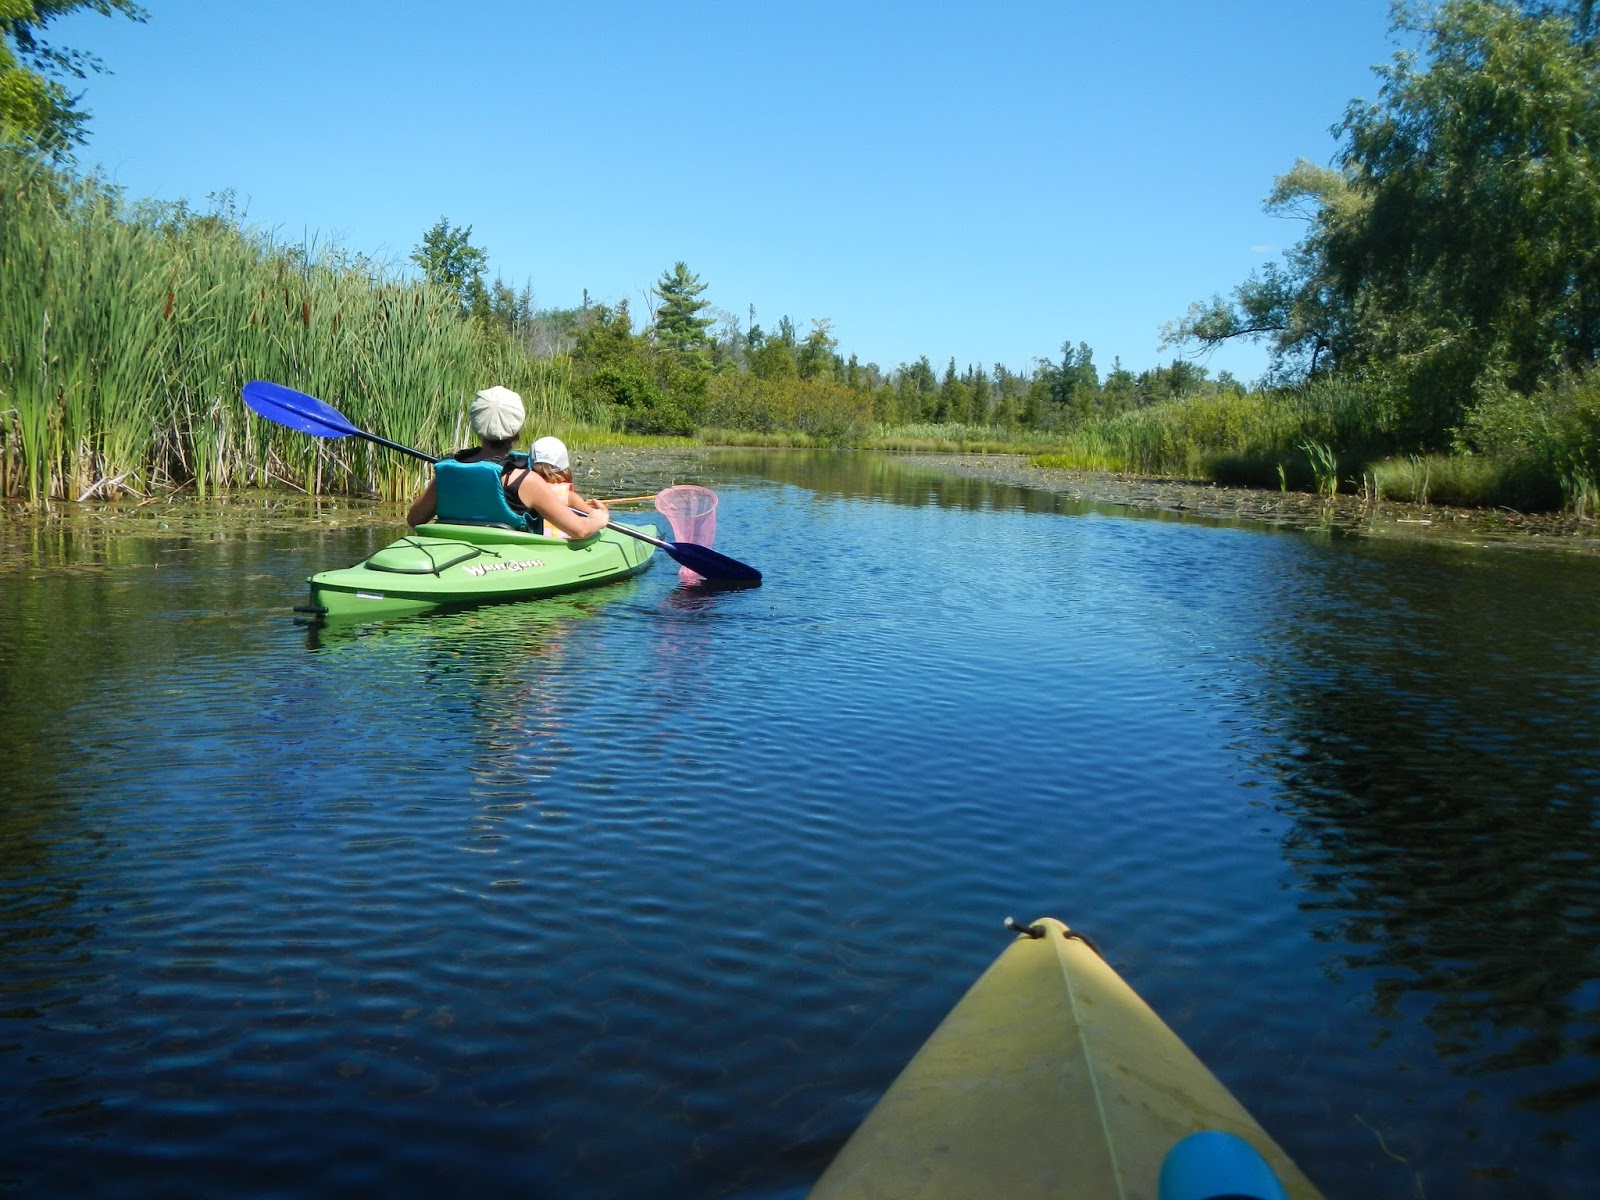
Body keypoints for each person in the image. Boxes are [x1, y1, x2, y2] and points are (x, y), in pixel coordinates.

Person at [405, 386, 609, 538]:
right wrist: (598, 518)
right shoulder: (527, 480)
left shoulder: (450, 471)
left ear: (477, 427)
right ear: (516, 431)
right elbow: (580, 531)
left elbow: (414, 520)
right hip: (503, 559)